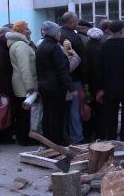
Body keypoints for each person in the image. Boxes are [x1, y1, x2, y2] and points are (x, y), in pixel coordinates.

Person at [36, 21, 73, 145]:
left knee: (47, 114)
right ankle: (56, 142)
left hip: (44, 85)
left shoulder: (41, 46)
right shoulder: (55, 47)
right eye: (58, 32)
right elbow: (61, 70)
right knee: (56, 116)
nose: (60, 34)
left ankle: (47, 142)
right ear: (55, 33)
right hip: (56, 87)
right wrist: (71, 87)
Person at [7, 21, 38, 146]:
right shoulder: (21, 45)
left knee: (22, 112)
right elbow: (24, 67)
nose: (28, 31)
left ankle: (23, 137)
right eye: (26, 29)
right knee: (24, 113)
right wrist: (30, 86)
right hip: (24, 84)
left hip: (20, 82)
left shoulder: (18, 44)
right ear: (20, 31)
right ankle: (24, 138)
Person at [60, 12, 85, 144]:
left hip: (59, 80)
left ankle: (65, 136)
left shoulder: (56, 35)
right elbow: (80, 59)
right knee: (74, 110)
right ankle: (77, 137)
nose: (77, 24)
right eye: (76, 22)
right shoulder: (73, 37)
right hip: (73, 78)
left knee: (63, 110)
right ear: (71, 23)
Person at [84, 27, 105, 140]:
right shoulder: (103, 48)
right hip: (99, 84)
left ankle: (88, 133)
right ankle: (100, 133)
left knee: (89, 107)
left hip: (88, 84)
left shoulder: (85, 48)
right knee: (100, 110)